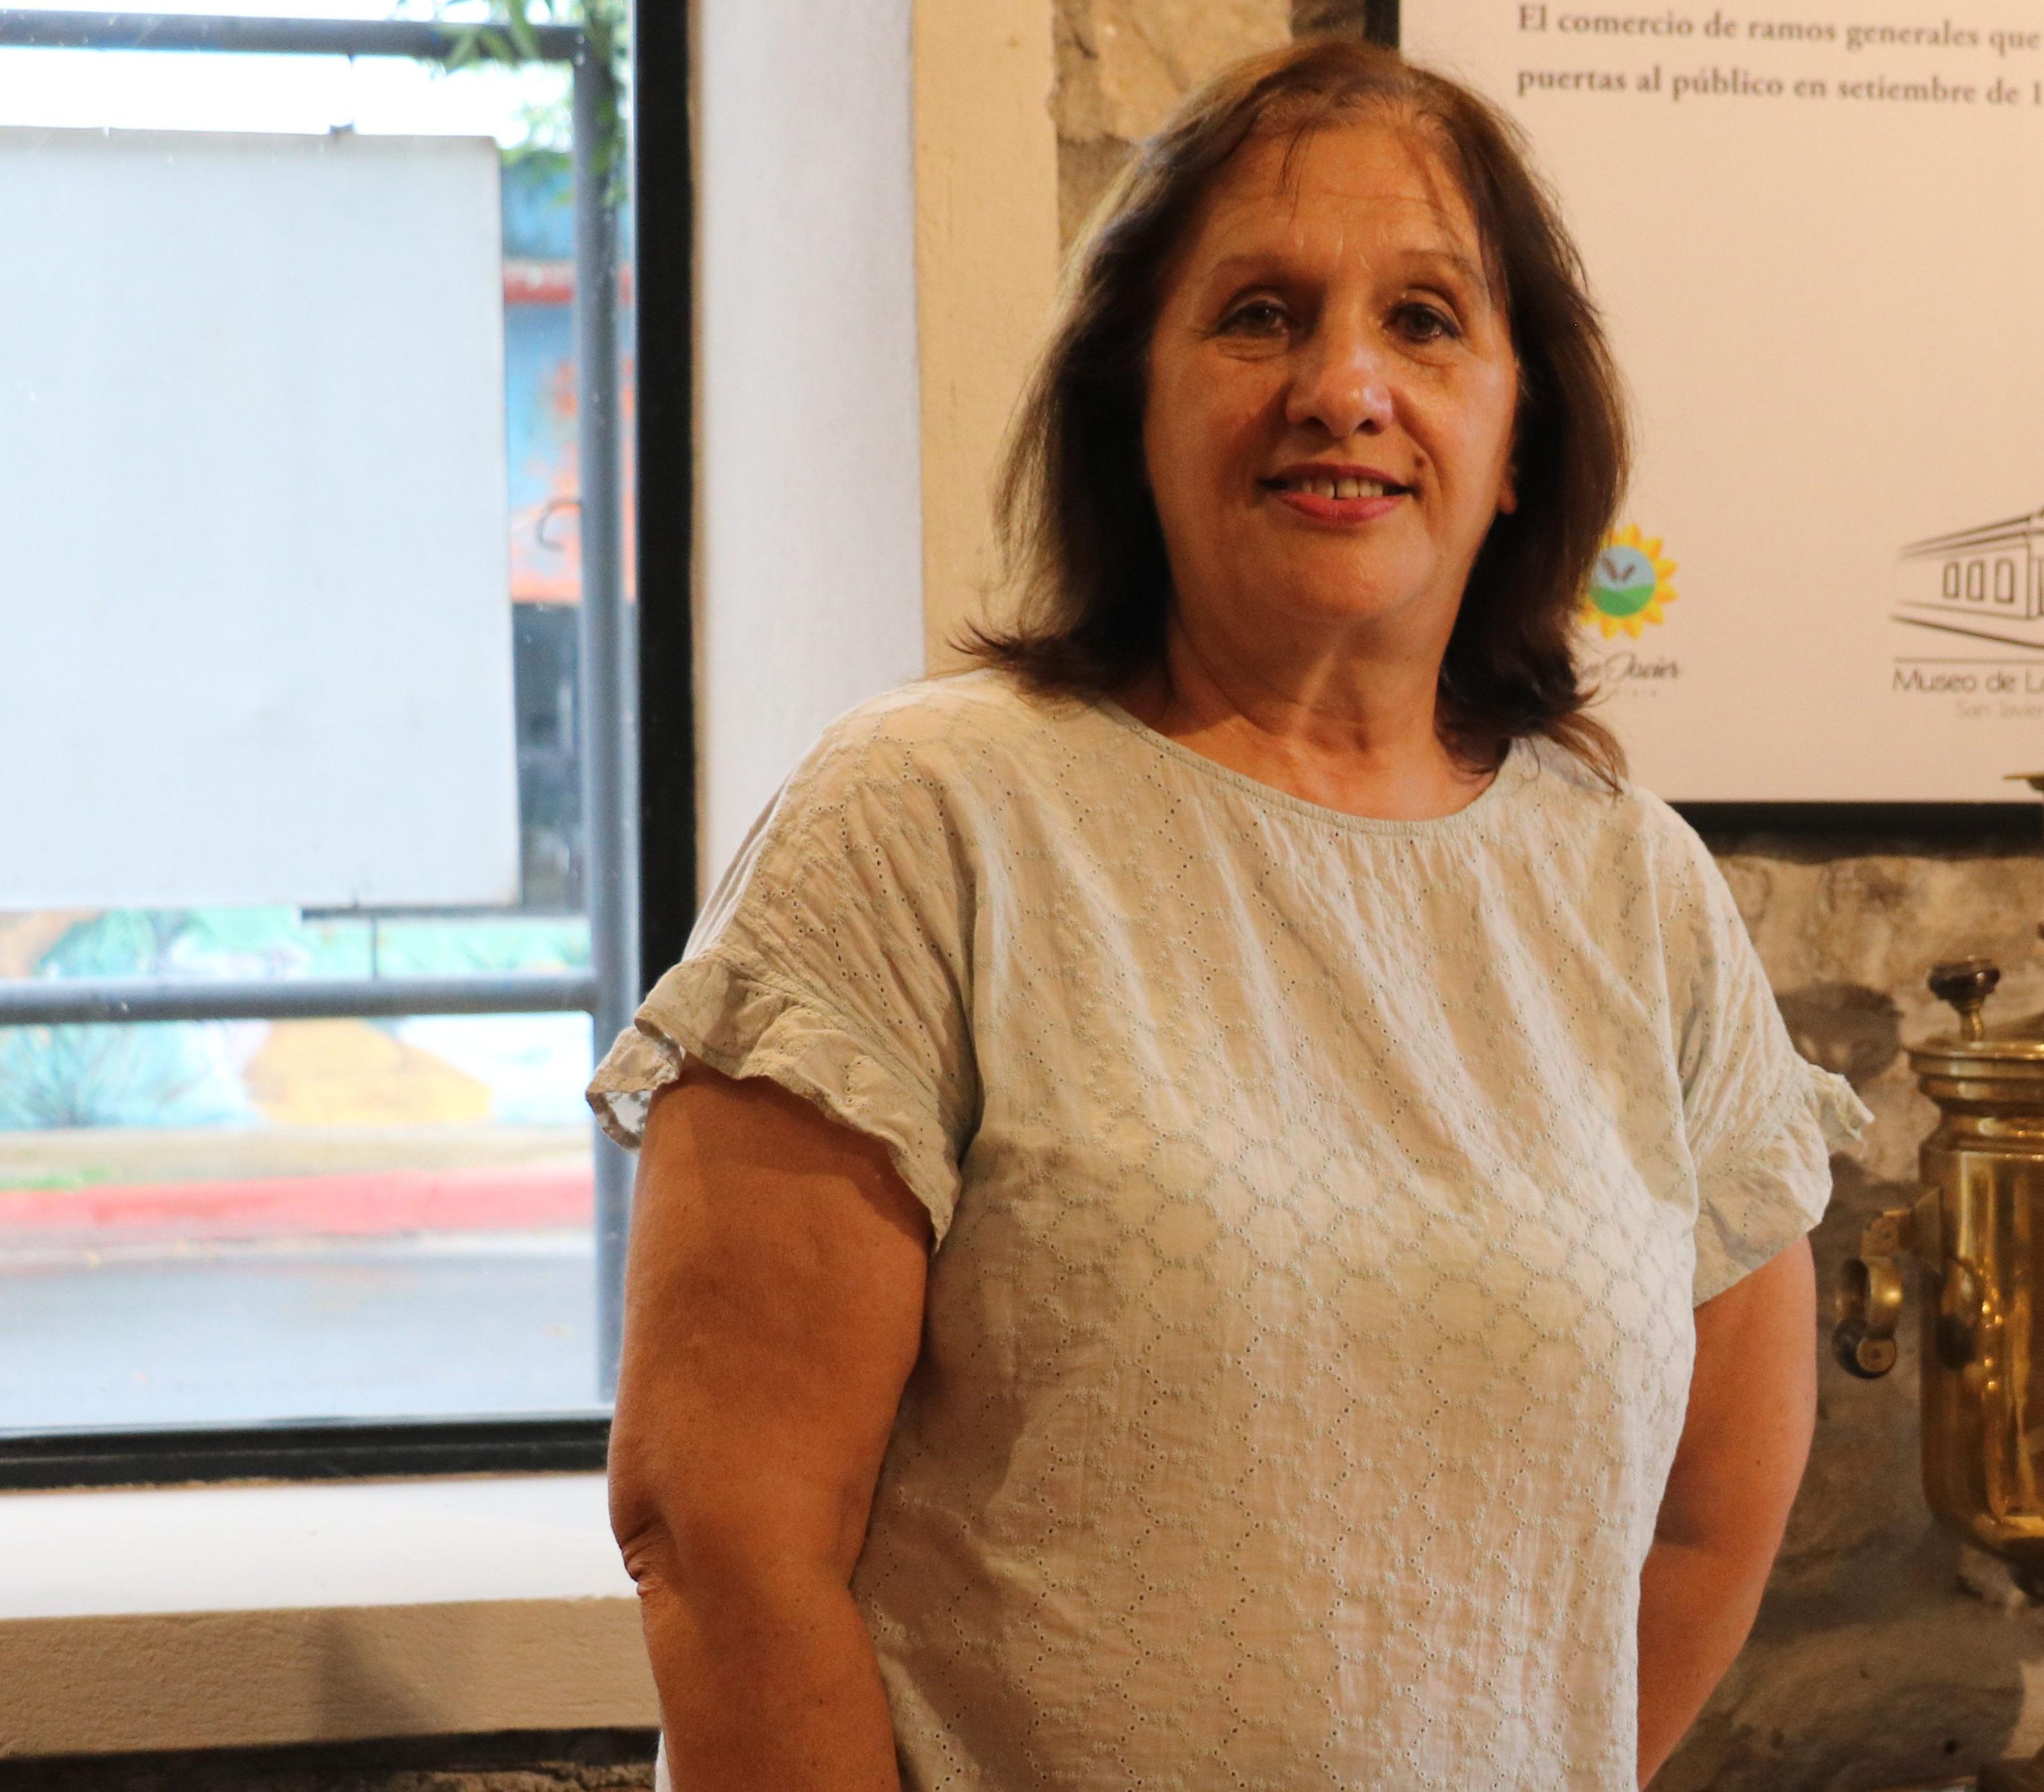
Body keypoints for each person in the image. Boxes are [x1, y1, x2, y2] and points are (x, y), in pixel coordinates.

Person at [589, 35, 1866, 1792]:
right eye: (1261, 313)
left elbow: (1716, 1517)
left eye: (1426, 322)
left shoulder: (1633, 884)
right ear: (1137, 402)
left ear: (1516, 441)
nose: (1345, 385)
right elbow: (720, 1534)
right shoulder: (931, 818)